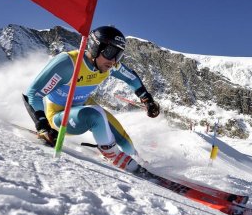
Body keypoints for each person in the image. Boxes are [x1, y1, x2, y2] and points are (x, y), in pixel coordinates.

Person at [24, 26, 160, 173]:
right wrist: (42, 125)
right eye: (110, 52)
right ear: (95, 48)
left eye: (119, 55)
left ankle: (137, 161)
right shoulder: (68, 63)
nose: (114, 61)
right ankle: (112, 153)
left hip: (85, 105)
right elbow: (33, 93)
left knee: (126, 143)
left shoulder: (109, 65)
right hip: (58, 116)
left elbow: (131, 78)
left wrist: (147, 99)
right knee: (95, 115)